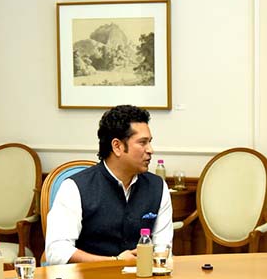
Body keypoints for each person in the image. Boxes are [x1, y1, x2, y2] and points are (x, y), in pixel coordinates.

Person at [45, 105, 174, 264]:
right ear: (117, 146)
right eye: (142, 143)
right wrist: (114, 262)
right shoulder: (74, 187)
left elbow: (163, 248)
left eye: (150, 142)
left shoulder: (158, 187)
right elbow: (57, 252)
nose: (150, 150)